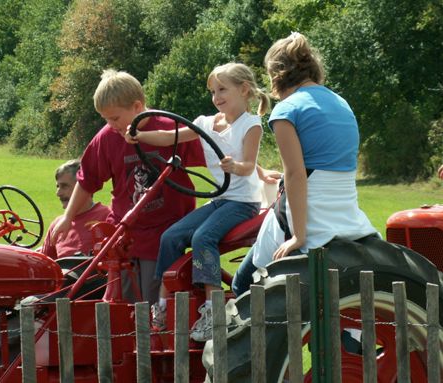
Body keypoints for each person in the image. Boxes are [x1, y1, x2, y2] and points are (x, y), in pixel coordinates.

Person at [126, 62, 270, 342]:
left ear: (244, 90)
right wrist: (140, 136)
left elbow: (249, 165)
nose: (216, 97)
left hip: (242, 202)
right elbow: (170, 137)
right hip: (220, 200)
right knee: (171, 236)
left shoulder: (250, 125)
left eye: (222, 90)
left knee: (204, 238)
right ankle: (164, 304)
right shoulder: (206, 123)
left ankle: (214, 309)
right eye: (213, 92)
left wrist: (234, 166)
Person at [232, 32, 378, 297]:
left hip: (312, 216)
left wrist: (299, 237)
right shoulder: (341, 103)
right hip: (346, 212)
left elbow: (296, 174)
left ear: (276, 74)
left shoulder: (286, 110)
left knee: (242, 285)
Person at [51, 69, 205, 305]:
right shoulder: (107, 138)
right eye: (106, 119)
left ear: (137, 106)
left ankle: (156, 337)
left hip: (164, 232)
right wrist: (68, 216)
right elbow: (87, 180)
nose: (110, 125)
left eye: (114, 118)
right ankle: (125, 338)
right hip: (125, 232)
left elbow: (214, 159)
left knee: (153, 297)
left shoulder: (170, 128)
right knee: (120, 299)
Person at [40, 159, 111, 259]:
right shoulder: (57, 225)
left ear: (82, 187)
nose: (58, 193)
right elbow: (45, 265)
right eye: (58, 186)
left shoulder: (107, 217)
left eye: (64, 186)